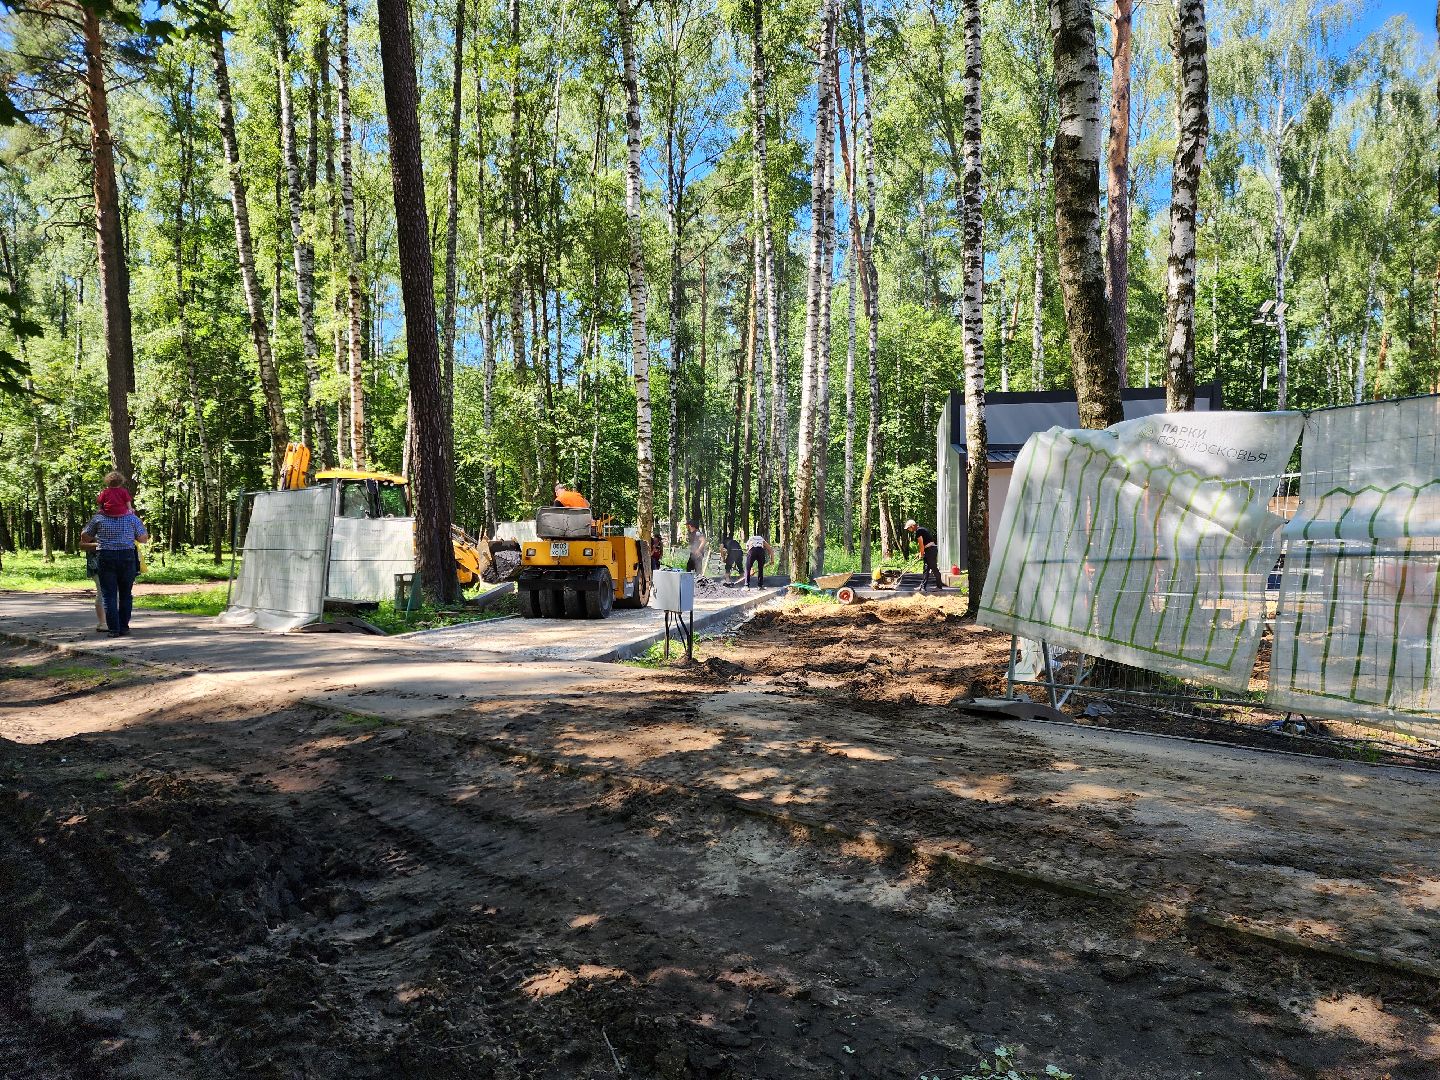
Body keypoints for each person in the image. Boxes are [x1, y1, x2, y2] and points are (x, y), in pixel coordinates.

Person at [82, 476, 149, 637]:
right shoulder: (132, 518)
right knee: (126, 593)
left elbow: (85, 537)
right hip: (127, 557)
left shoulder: (98, 518)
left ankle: (113, 629)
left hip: (106, 557)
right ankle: (124, 626)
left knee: (109, 595)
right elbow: (143, 539)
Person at [906, 518, 943, 593]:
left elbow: (921, 544)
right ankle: (923, 587)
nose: (908, 530)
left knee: (934, 568)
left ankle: (939, 586)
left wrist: (921, 553)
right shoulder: (922, 529)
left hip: (931, 550)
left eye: (908, 528)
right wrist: (920, 553)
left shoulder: (919, 531)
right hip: (929, 549)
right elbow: (925, 544)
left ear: (912, 526)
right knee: (926, 569)